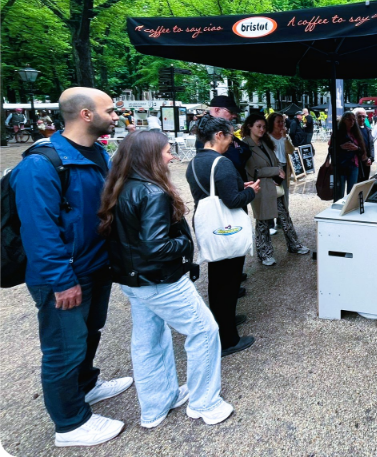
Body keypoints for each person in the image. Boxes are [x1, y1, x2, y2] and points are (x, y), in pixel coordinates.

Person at [10, 87, 132, 447]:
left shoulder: (97, 153)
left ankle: (86, 386)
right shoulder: (41, 164)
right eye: (109, 111)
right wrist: (62, 281)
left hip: (96, 267)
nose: (115, 116)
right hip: (64, 276)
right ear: (85, 115)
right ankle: (70, 423)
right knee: (63, 348)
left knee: (89, 332)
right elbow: (39, 231)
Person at [99, 130, 232, 427]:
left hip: (133, 281)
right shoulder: (153, 192)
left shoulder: (120, 186)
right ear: (150, 156)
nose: (171, 155)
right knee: (205, 330)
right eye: (166, 151)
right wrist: (186, 245)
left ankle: (157, 405)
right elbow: (156, 246)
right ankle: (205, 402)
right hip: (160, 280)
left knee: (149, 341)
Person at [186, 115, 259, 358]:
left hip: (208, 225)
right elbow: (233, 200)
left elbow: (211, 192)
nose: (232, 141)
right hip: (226, 227)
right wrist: (251, 191)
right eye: (230, 136)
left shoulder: (194, 162)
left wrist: (239, 187)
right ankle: (228, 338)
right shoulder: (222, 163)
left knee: (217, 279)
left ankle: (223, 321)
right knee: (228, 281)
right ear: (218, 135)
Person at [265, 112, 313, 255]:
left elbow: (292, 151)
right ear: (272, 122)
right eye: (278, 122)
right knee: (271, 197)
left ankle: (281, 221)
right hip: (273, 168)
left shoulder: (284, 136)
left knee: (284, 196)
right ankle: (271, 223)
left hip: (284, 168)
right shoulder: (267, 137)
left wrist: (286, 137)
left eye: (283, 122)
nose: (281, 124)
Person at [242, 114, 285, 266]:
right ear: (249, 126)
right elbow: (254, 171)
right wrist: (276, 171)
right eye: (258, 126)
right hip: (259, 187)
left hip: (272, 186)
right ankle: (264, 254)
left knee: (283, 217)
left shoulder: (264, 142)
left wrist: (278, 169)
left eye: (263, 127)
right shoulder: (245, 145)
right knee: (262, 222)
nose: (262, 129)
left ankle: (293, 245)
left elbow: (275, 160)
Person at [193, 95, 252, 180]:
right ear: (217, 110)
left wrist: (239, 150)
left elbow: (246, 150)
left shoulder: (220, 128)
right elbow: (236, 161)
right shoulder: (207, 131)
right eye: (231, 112)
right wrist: (239, 150)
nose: (234, 116)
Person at [330, 111, 367, 196]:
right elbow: (331, 149)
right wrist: (340, 147)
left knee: (351, 193)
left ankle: (349, 208)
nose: (352, 122)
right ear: (344, 120)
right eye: (349, 120)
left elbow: (363, 150)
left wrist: (356, 148)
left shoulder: (357, 133)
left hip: (354, 165)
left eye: (353, 120)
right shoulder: (338, 133)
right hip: (341, 165)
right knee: (339, 192)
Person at [354, 107, 374, 181]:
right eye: (359, 117)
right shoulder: (353, 131)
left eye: (364, 116)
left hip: (367, 161)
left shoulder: (368, 130)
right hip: (356, 162)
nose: (362, 119)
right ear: (355, 117)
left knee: (365, 182)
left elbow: (371, 145)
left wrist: (371, 158)